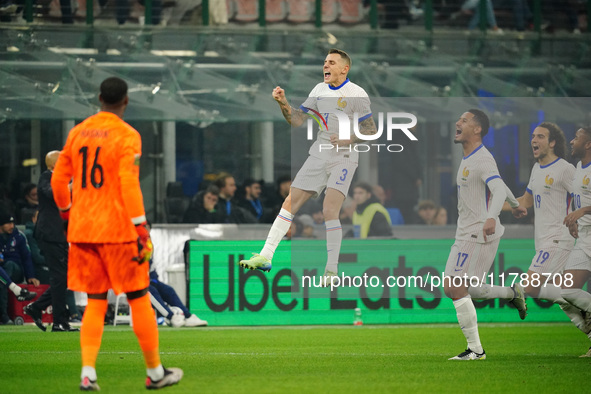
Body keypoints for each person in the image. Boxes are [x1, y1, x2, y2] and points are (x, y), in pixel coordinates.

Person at [51, 77, 182, 391]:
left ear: (98, 98)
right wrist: (139, 225)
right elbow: (127, 182)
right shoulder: (127, 135)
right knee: (137, 298)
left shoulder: (77, 132)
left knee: (95, 301)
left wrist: (67, 213)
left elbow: (58, 181)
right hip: (119, 231)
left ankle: (88, 373)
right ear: (125, 101)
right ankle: (155, 373)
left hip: (83, 232)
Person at [239, 48, 377, 284]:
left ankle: (332, 270)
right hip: (320, 153)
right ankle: (266, 255)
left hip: (344, 156)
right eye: (325, 62)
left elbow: (371, 130)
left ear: (345, 69)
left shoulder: (357, 93)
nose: (326, 66)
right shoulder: (318, 90)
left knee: (329, 209)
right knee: (289, 202)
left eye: (332, 62)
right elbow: (297, 120)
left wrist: (348, 139)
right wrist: (283, 103)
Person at [444, 109, 527, 361]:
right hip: (466, 233)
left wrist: (492, 215)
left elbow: (496, 190)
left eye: (464, 120)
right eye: (458, 119)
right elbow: (500, 185)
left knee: (454, 287)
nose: (458, 122)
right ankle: (513, 293)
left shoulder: (482, 158)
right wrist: (516, 204)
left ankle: (476, 351)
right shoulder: (469, 157)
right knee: (472, 289)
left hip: (479, 231)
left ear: (477, 129)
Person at [500, 123, 590, 339]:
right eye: (532, 136)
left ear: (552, 143)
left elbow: (580, 196)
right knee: (563, 296)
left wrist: (577, 216)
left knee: (529, 288)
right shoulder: (536, 169)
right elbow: (525, 201)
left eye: (540, 136)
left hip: (559, 239)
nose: (534, 140)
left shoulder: (566, 169)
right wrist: (492, 207)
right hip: (544, 241)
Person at [24, 151, 80, 332]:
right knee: (59, 277)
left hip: (59, 234)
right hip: (50, 233)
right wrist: (70, 186)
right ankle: (59, 322)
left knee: (63, 278)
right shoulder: (46, 177)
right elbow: (52, 194)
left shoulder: (58, 179)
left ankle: (38, 308)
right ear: (56, 165)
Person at [562, 127, 591, 357]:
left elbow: (585, 204)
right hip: (583, 239)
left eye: (577, 137)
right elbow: (579, 199)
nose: (572, 141)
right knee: (564, 291)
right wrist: (573, 217)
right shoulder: (579, 168)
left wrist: (582, 210)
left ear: (588, 143)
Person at [0, 210, 39, 325]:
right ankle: (17, 292)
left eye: (13, 223)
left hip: (15, 270)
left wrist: (30, 275)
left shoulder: (19, 236)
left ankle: (4, 316)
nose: (12, 226)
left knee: (9, 266)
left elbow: (27, 257)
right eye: (8, 223)